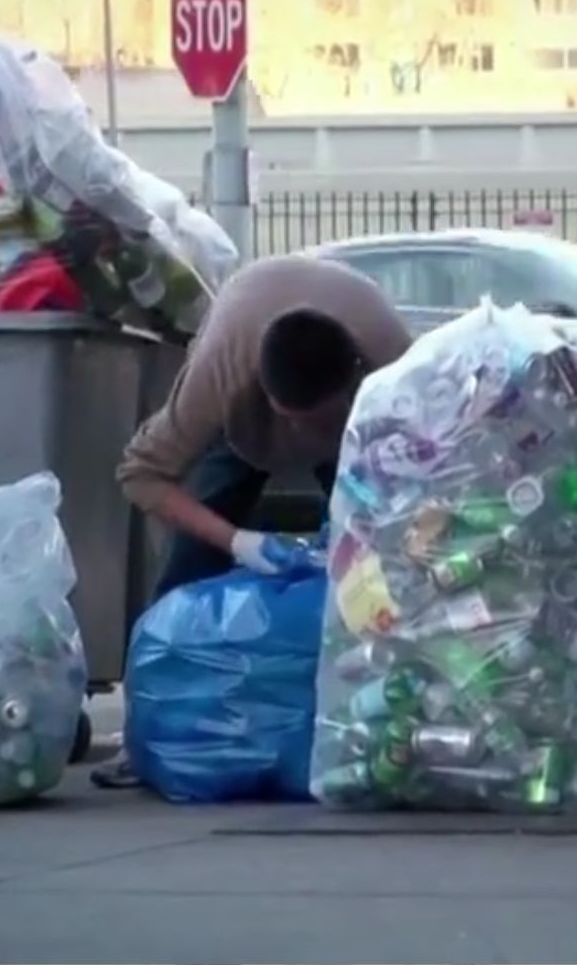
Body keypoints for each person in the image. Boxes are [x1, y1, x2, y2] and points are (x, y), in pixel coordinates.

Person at [92, 255, 412, 786]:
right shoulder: (221, 373)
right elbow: (141, 476)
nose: (301, 433)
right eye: (291, 420)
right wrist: (237, 541)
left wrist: (370, 534)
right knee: (188, 573)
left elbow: (428, 474)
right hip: (241, 429)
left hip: (356, 440)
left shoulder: (394, 365)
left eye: (313, 421)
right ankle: (150, 736)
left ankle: (387, 717)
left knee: (382, 571)